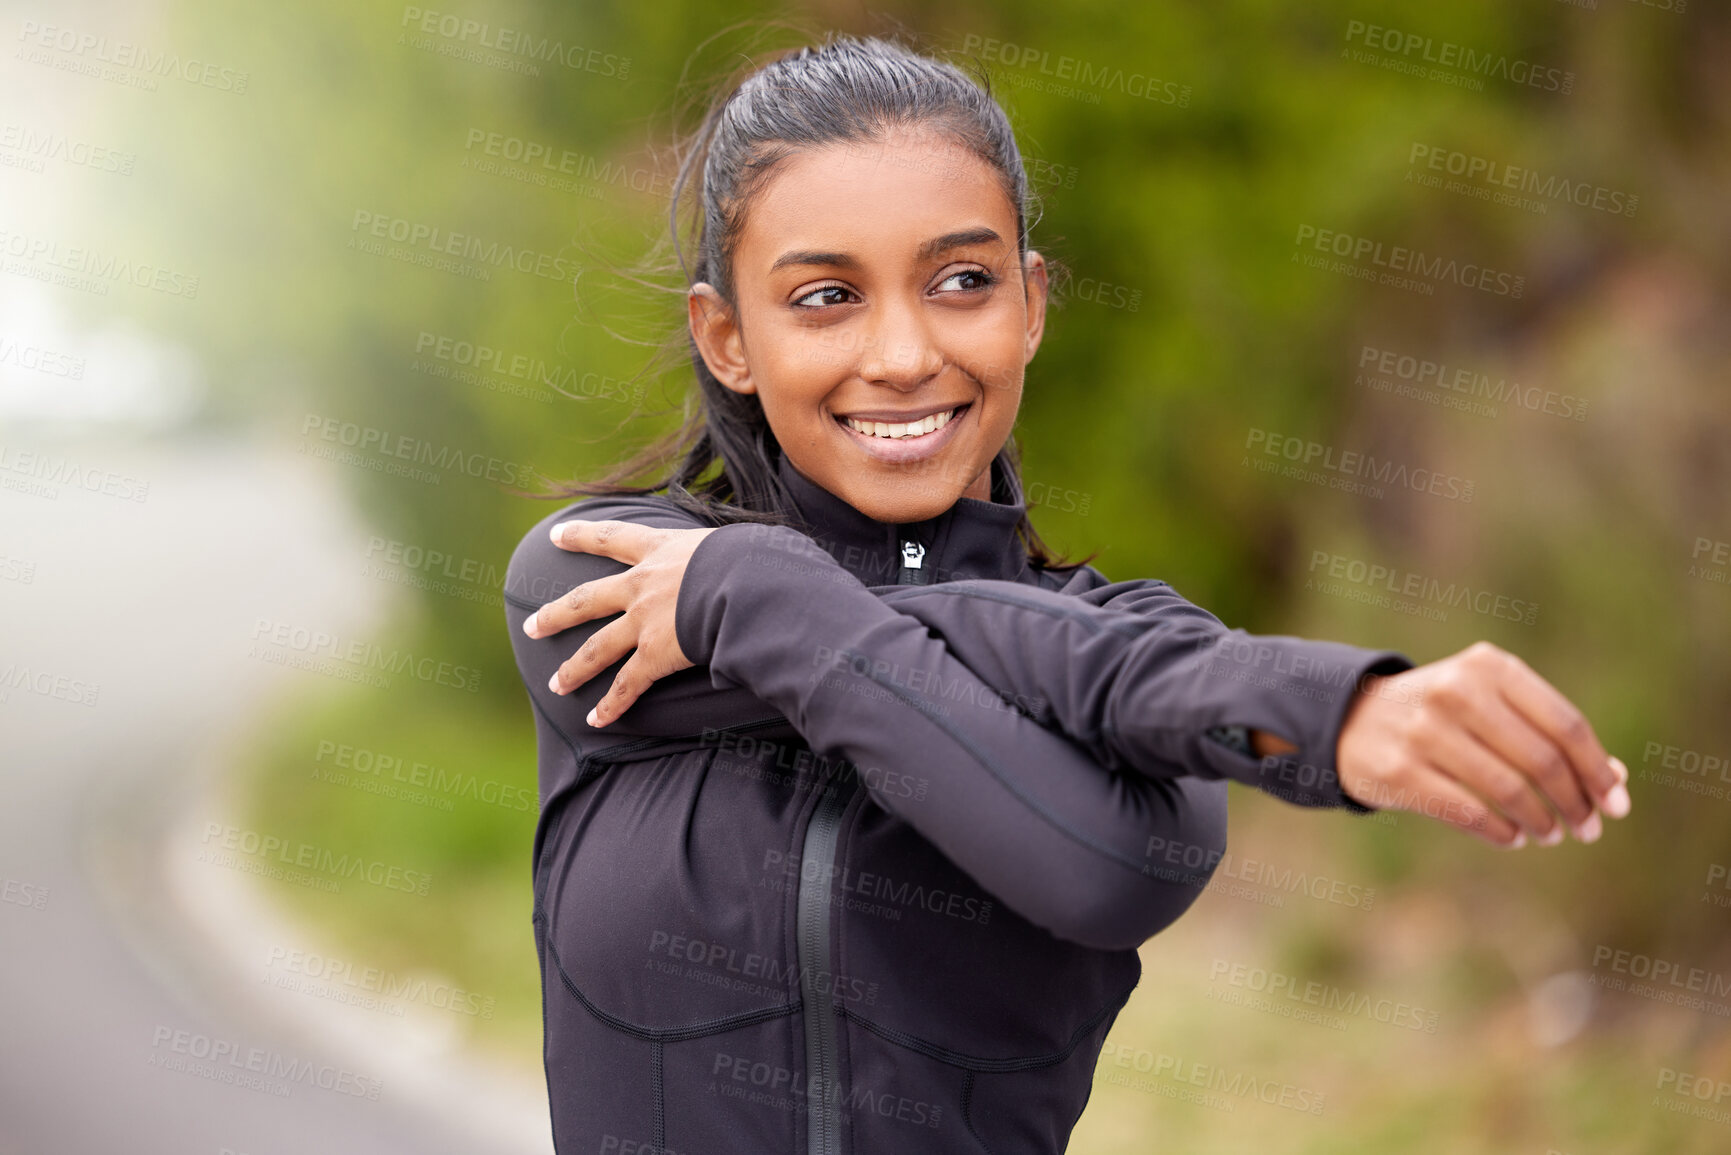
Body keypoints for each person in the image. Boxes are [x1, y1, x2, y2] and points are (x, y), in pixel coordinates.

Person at [503, 33, 1631, 1154]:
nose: (902, 352)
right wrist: (1300, 710)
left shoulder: (1144, 674)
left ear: (1031, 307)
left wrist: (751, 595)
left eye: (962, 282)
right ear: (727, 337)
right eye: (826, 296)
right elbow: (841, 625)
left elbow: (1100, 875)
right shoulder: (605, 573)